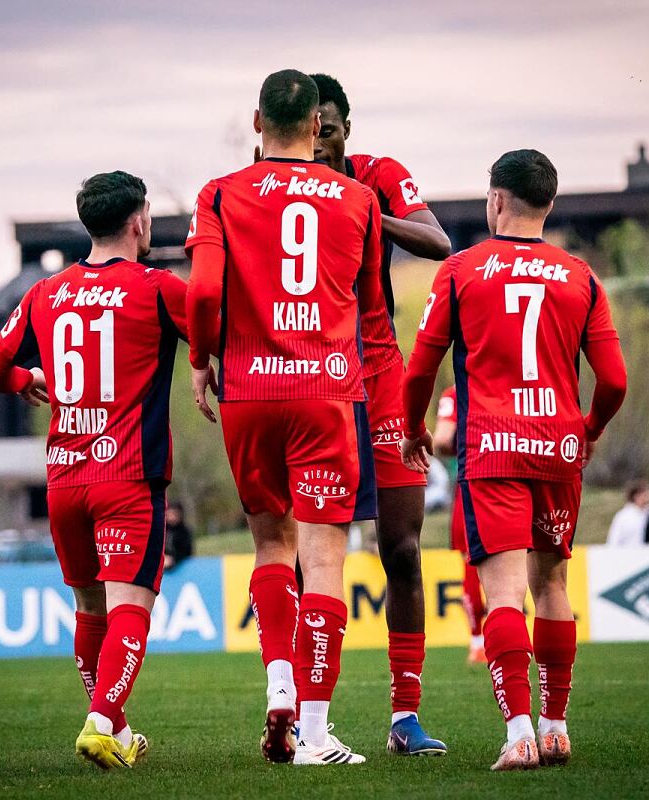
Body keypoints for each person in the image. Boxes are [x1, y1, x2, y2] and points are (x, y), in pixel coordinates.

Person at [400, 149, 627, 770]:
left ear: (495, 199)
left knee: (503, 595)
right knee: (552, 586)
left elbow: (421, 366)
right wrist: (590, 428)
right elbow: (613, 379)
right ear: (549, 204)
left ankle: (519, 734)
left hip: (492, 449)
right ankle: (556, 728)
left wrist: (414, 428)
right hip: (557, 447)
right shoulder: (581, 275)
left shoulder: (461, 269)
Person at [185, 69, 381, 766]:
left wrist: (203, 358)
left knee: (271, 544)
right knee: (327, 556)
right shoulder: (358, 199)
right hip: (326, 390)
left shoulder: (219, 193)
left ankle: (278, 687)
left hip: (249, 388)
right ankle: (318, 732)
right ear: (319, 128)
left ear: (257, 121)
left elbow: (204, 290)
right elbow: (371, 313)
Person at [0, 171, 194, 769]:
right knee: (133, 604)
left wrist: (29, 380)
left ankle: (116, 727)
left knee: (88, 608)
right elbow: (218, 332)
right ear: (139, 222)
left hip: (64, 476)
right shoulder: (156, 288)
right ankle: (101, 721)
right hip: (126, 476)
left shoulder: (45, 293)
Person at [310, 72, 451, 756]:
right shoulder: (275, 191)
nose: (318, 139)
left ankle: (404, 717)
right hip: (307, 387)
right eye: (307, 128)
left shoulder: (376, 175)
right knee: (315, 561)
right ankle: (308, 717)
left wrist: (369, 210)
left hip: (380, 380)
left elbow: (438, 242)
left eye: (328, 127)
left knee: (401, 550)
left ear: (345, 129)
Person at [434, 385, 486, 664]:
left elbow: (442, 440)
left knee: (471, 565)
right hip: (519, 480)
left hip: (473, 485)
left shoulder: (455, 393)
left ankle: (478, 642)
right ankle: (515, 641)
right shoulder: (512, 380)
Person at [606, 482, 649, 547]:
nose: (648, 497)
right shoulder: (623, 516)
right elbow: (614, 540)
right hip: (629, 554)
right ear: (635, 496)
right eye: (644, 494)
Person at [163, 502, 194, 570]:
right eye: (169, 514)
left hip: (180, 567)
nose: (171, 517)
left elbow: (187, 551)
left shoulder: (184, 532)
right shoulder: (160, 530)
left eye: (174, 514)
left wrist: (173, 559)